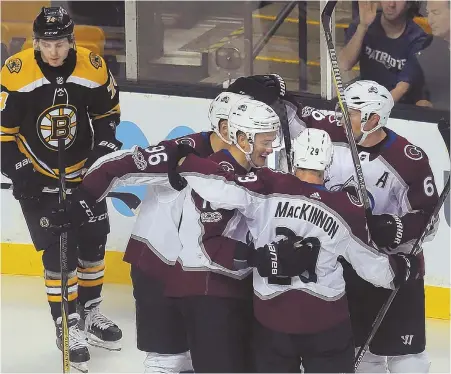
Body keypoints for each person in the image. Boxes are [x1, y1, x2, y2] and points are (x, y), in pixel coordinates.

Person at [170, 128, 421, 373]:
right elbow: (373, 267)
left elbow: (220, 185)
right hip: (326, 323)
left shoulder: (265, 185)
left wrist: (185, 161)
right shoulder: (345, 206)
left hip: (272, 320)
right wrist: (405, 267)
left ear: (293, 158)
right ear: (329, 163)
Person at [45, 91, 248, 373]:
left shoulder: (252, 160)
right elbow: (115, 165)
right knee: (167, 359)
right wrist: (82, 201)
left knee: (201, 358)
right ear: (227, 128)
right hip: (159, 268)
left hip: (209, 275)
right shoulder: (181, 154)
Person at [0, 6, 122, 372]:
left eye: (60, 43)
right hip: (37, 175)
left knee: (94, 242)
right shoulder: (16, 73)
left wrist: (100, 161)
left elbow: (108, 118)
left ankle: (89, 312)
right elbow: (2, 137)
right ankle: (65, 323)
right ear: (36, 42)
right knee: (57, 256)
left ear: (71, 41)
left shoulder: (94, 67)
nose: (54, 51)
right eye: (47, 43)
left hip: (83, 172)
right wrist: (25, 178)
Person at [300, 81, 439, 373]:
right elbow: (295, 115)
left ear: (373, 118)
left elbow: (430, 218)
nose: (341, 118)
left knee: (406, 356)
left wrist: (393, 227)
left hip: (396, 267)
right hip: (348, 268)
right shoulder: (331, 140)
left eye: (350, 113)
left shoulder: (408, 158)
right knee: (361, 355)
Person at [163, 97, 282, 372]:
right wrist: (257, 257)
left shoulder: (249, 171)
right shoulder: (215, 176)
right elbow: (210, 245)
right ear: (243, 139)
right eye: (265, 141)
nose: (270, 148)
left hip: (232, 287)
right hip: (206, 288)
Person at [339, 0, 431, 104]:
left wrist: (376, 110)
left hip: (402, 105)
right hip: (370, 98)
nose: (391, 4)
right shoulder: (364, 23)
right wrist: (363, 27)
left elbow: (402, 88)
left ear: (409, 3)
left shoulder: (418, 37)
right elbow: (345, 64)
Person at [415, 1, 450, 111]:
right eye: (428, 13)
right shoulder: (431, 51)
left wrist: (437, 107)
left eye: (435, 13)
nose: (430, 21)